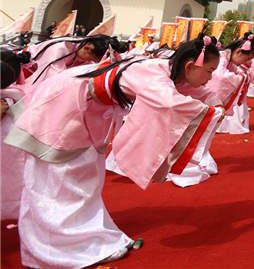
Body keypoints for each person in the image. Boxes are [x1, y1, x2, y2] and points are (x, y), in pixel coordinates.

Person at [5, 36, 223, 267]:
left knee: (85, 175)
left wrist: (208, 106)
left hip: (88, 107)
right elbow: (169, 103)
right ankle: (60, 248)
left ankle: (85, 237)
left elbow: (186, 94)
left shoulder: (164, 70)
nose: (210, 78)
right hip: (66, 105)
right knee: (59, 178)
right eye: (209, 71)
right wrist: (212, 113)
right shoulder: (153, 71)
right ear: (190, 65)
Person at [1, 49, 31, 221]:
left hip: (8, 141)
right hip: (10, 140)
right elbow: (24, 119)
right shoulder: (16, 94)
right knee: (11, 174)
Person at [214, 34, 254, 134]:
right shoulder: (222, 58)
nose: (246, 62)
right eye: (247, 59)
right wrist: (241, 78)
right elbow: (220, 77)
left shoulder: (227, 58)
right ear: (238, 52)